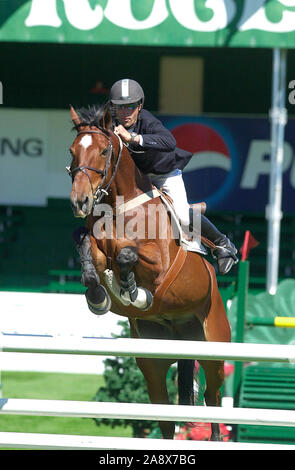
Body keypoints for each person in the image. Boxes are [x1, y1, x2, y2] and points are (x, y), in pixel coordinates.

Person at [74, 79, 238, 289]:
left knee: (180, 213)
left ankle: (223, 244)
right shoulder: (109, 123)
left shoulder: (148, 121)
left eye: (131, 106)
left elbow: (169, 142)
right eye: (120, 107)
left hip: (164, 174)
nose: (125, 112)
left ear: (140, 106)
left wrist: (133, 138)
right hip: (134, 179)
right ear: (113, 108)